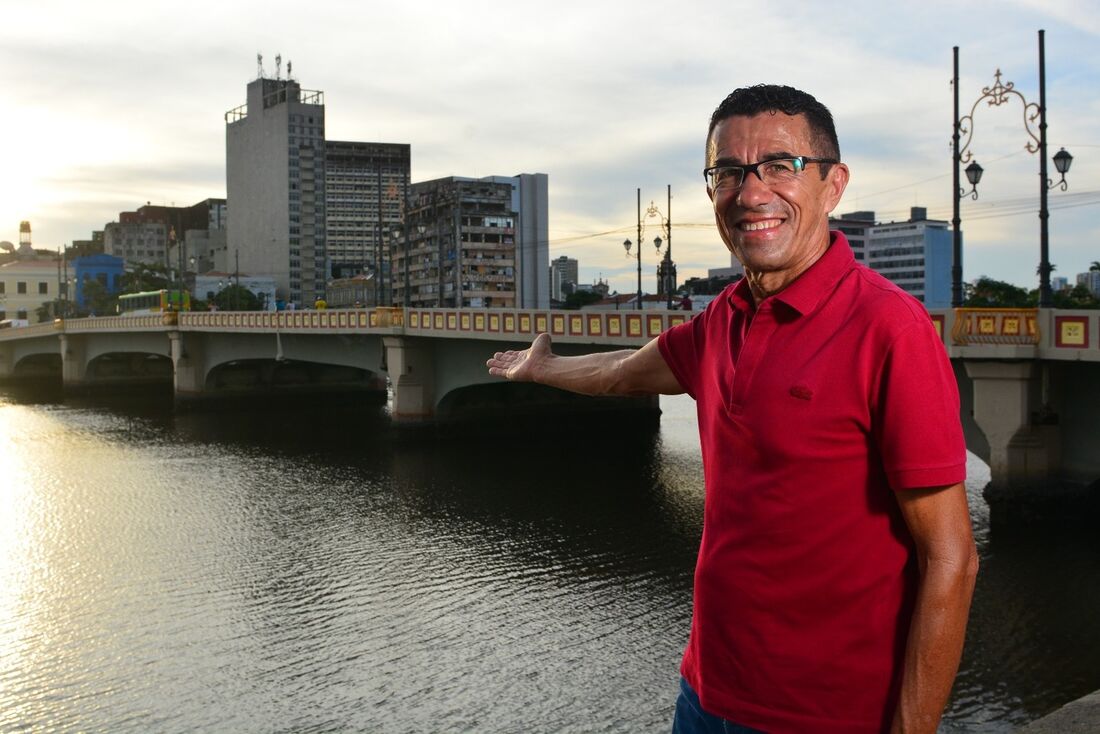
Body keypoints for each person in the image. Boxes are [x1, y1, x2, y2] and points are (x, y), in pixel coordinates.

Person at [486, 85, 978, 734]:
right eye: (728, 172)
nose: (750, 192)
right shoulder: (725, 316)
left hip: (824, 717)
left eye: (780, 165)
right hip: (705, 697)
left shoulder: (889, 330)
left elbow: (951, 559)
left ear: (833, 185)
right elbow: (623, 371)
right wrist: (543, 367)